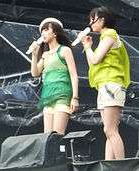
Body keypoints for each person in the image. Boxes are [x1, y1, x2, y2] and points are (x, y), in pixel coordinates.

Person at [80, 6, 130, 160]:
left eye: (92, 19)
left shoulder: (110, 34)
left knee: (111, 130)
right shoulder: (104, 37)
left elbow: (95, 59)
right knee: (108, 130)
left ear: (102, 20)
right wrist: (87, 47)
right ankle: (109, 164)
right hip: (104, 84)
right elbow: (93, 64)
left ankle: (122, 165)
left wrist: (88, 48)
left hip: (111, 83)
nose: (90, 23)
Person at [30, 17, 79, 135]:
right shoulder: (45, 54)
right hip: (48, 95)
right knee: (47, 136)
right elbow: (35, 73)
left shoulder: (64, 50)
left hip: (62, 93)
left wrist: (75, 97)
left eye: (46, 30)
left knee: (57, 135)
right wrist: (34, 55)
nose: (43, 33)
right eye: (42, 31)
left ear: (55, 32)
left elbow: (73, 75)